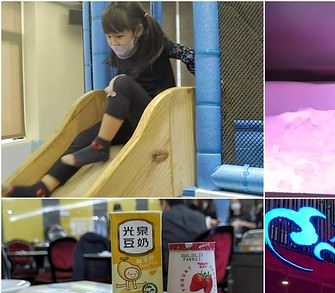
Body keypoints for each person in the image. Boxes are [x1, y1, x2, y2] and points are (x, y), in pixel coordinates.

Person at [6, 2, 195, 198]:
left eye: (119, 36)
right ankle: (43, 188)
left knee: (120, 82)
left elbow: (190, 56)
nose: (114, 43)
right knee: (81, 139)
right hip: (134, 121)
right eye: (109, 37)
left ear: (138, 30)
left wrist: (212, 86)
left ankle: (99, 147)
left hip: (159, 118)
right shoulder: (121, 51)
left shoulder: (156, 44)